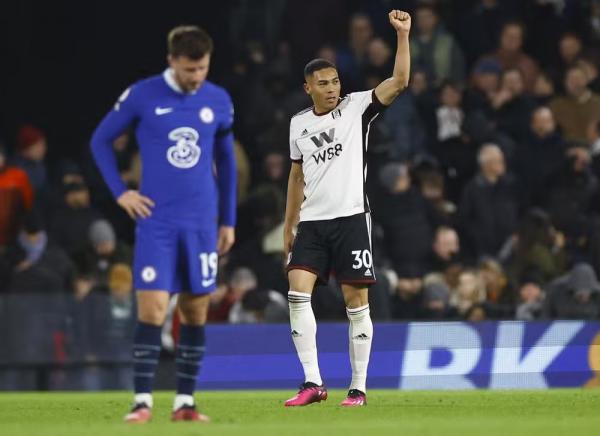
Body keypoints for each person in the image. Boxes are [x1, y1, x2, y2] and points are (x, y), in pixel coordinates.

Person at [90, 26, 236, 423]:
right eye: (190, 69)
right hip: (158, 222)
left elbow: (227, 161)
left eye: (202, 68)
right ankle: (142, 402)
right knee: (152, 308)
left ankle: (184, 404)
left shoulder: (218, 100)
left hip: (202, 223)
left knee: (194, 311)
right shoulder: (143, 94)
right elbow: (100, 141)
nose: (196, 77)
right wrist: (122, 192)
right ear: (172, 61)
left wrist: (229, 219)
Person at [282, 10, 410, 408]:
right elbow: (296, 177)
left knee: (356, 304)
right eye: (323, 83)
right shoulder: (298, 124)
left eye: (335, 80)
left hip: (352, 218)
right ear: (308, 89)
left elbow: (400, 81)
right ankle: (313, 383)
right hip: (313, 224)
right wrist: (289, 224)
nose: (332, 88)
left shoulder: (357, 108)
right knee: (296, 293)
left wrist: (402, 36)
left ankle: (358, 388)